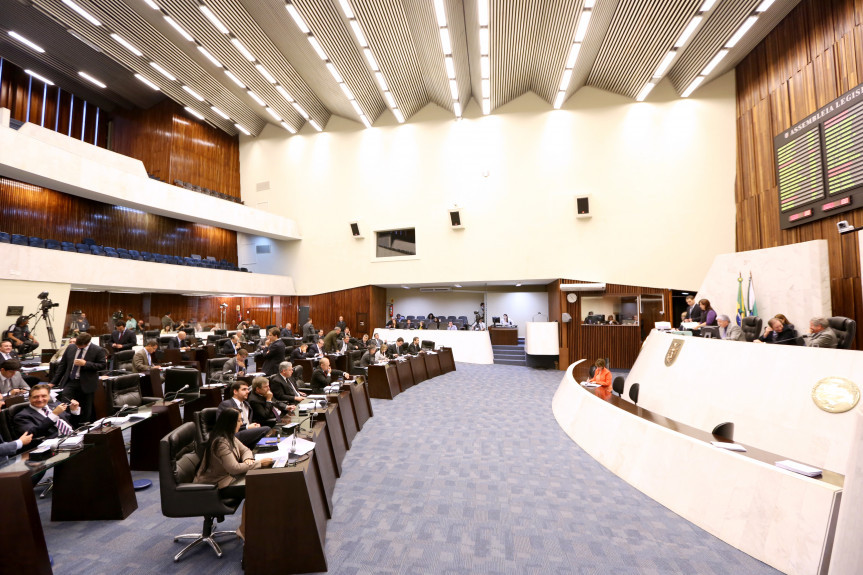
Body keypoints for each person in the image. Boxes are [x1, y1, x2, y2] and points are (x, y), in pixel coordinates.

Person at [193, 407, 273, 540]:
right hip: (213, 486)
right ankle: (243, 530)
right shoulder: (220, 442)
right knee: (254, 488)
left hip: (226, 478)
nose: (241, 423)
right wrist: (259, 463)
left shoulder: (228, 435)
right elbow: (234, 468)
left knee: (256, 483)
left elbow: (245, 450)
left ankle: (254, 526)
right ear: (230, 422)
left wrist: (248, 458)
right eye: (239, 421)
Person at [53, 332, 107, 423]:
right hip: (71, 381)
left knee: (86, 409)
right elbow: (62, 365)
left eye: (80, 347)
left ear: (87, 343)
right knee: (65, 402)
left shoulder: (98, 350)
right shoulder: (71, 347)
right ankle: (67, 423)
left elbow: (102, 365)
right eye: (77, 345)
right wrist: (53, 382)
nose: (78, 348)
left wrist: (86, 364)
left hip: (87, 383)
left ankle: (82, 428)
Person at [14, 384, 81, 444]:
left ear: (49, 396)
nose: (40, 399)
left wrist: (74, 411)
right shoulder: (22, 416)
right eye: (35, 397)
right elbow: (31, 434)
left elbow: (71, 423)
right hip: (53, 444)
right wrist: (53, 415)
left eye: (43, 396)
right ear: (29, 398)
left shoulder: (55, 405)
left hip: (74, 437)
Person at [217, 381, 270, 449]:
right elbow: (225, 426)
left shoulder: (247, 404)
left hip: (245, 434)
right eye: (244, 389)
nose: (248, 391)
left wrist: (254, 426)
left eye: (248, 389)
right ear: (235, 391)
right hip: (232, 436)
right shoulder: (226, 404)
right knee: (266, 429)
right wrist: (247, 427)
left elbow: (248, 421)